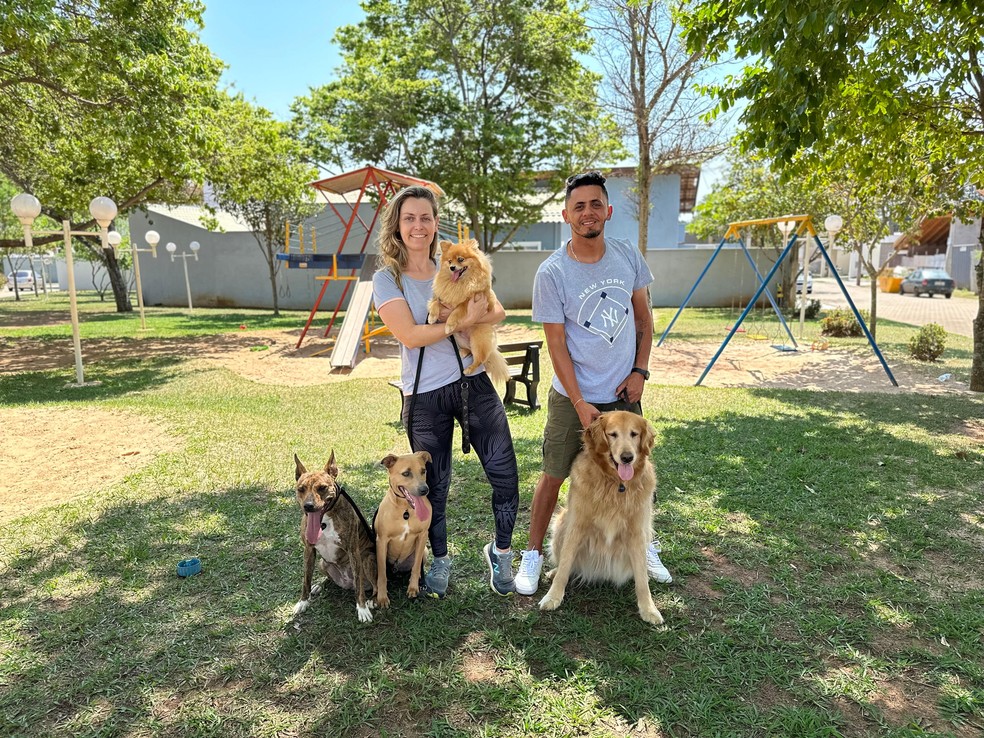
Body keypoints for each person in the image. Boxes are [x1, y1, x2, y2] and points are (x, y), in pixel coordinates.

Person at [514, 171, 672, 596]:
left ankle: (646, 546)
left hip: (623, 395)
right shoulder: (552, 272)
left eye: (595, 204)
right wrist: (581, 401)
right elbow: (556, 343)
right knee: (553, 474)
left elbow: (643, 318)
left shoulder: (627, 256)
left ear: (608, 210)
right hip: (573, 398)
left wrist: (640, 371)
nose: (588, 213)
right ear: (566, 215)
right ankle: (532, 555)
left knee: (635, 473)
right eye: (579, 206)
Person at [372, 185, 520, 598]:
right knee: (432, 487)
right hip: (423, 396)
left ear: (436, 224)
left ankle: (502, 552)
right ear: (397, 227)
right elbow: (410, 334)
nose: (418, 226)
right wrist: (458, 323)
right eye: (409, 218)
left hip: (472, 382)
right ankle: (439, 559)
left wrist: (475, 313)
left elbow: (499, 311)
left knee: (505, 474)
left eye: (425, 218)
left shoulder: (455, 263)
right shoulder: (388, 279)